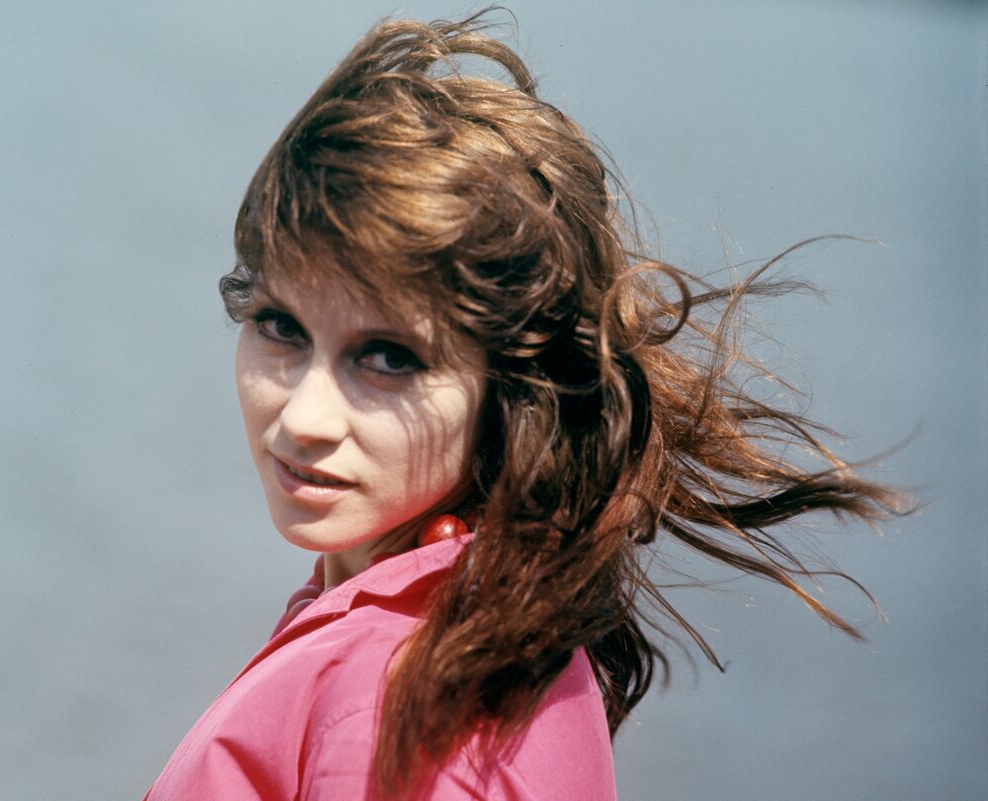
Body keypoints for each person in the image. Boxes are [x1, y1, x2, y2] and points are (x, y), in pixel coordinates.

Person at [144, 11, 902, 801]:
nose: (304, 417)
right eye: (280, 326)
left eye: (390, 358)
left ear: (512, 388)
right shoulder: (476, 621)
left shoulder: (396, 703)